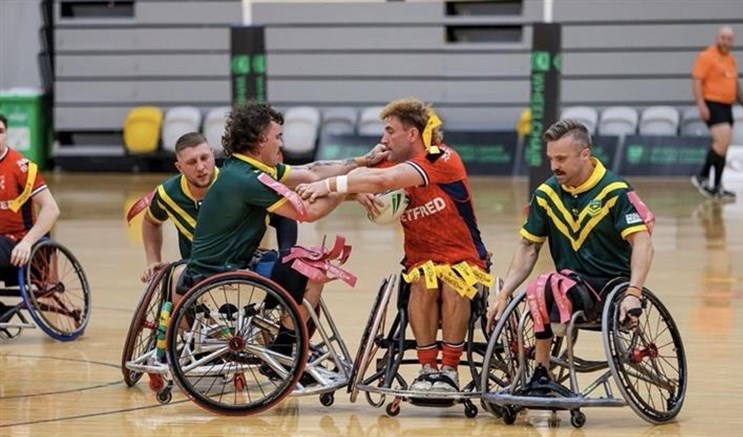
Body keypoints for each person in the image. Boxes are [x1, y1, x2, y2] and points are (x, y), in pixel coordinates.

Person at [297, 97, 491, 393]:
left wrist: (331, 187)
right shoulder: (390, 160)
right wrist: (357, 188)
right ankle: (428, 370)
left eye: (389, 131)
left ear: (412, 134)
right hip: (421, 260)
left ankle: (449, 371)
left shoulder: (442, 158)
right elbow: (353, 177)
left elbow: (383, 179)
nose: (383, 138)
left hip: (464, 258)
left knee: (452, 283)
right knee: (425, 281)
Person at [181, 102, 387, 353]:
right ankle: (285, 348)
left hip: (230, 261)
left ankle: (289, 342)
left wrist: (363, 161)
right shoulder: (250, 180)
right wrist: (347, 186)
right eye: (277, 137)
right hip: (222, 270)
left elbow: (312, 172)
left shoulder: (243, 167)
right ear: (260, 141)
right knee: (312, 271)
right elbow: (309, 212)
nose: (280, 144)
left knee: (300, 263)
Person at [485, 119, 654, 392]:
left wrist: (634, 292)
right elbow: (528, 248)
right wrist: (504, 294)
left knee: (547, 284)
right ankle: (541, 371)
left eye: (561, 158)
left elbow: (643, 243)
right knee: (545, 285)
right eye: (551, 158)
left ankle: (545, 359)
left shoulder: (615, 190)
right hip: (566, 286)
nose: (553, 166)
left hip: (610, 288)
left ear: (585, 154)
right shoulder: (546, 194)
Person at [139, 131, 217, 283]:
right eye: (192, 162)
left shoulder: (233, 183)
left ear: (213, 155)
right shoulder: (168, 194)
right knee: (175, 280)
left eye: (204, 158)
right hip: (194, 269)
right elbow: (150, 222)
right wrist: (153, 260)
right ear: (179, 167)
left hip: (236, 264)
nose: (200, 167)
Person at [690, 25, 743, 200]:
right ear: (718, 38)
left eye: (729, 38)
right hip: (712, 103)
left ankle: (717, 185)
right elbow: (696, 81)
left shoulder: (731, 60)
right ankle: (701, 176)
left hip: (727, 105)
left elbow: (735, 85)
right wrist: (701, 104)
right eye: (723, 37)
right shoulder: (706, 56)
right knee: (722, 140)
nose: (726, 41)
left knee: (725, 145)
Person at [0, 112, 61, 283]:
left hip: (18, 240)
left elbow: (51, 209)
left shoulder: (21, 167)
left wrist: (27, 242)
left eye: (1, 131)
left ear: (6, 135)